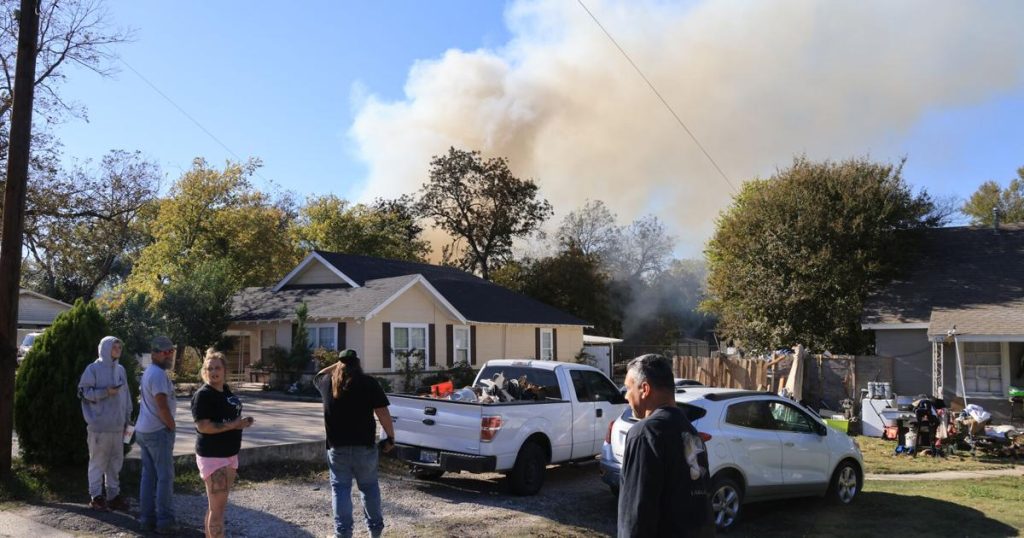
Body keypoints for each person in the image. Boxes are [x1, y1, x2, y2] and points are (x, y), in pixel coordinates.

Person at [618, 354, 714, 538]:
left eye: (628, 388)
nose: (626, 396)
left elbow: (635, 514)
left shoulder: (645, 433)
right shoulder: (692, 434)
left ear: (644, 389)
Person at [313, 349, 395, 538]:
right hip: (364, 448)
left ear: (340, 365)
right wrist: (390, 437)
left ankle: (343, 533)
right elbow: (383, 413)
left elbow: (319, 374)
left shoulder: (327, 383)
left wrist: (339, 363)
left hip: (337, 448)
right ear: (358, 364)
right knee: (369, 488)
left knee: (340, 490)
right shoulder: (369, 383)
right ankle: (375, 531)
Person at [191, 348, 254, 538]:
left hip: (229, 455)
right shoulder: (204, 395)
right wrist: (233, 425)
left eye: (217, 368)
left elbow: (229, 418)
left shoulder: (225, 391)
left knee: (215, 507)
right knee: (217, 511)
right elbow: (204, 426)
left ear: (225, 370)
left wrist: (241, 423)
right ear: (204, 372)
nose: (213, 372)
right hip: (214, 457)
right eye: (209, 369)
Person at [78, 336, 133, 512]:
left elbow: (126, 396)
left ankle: (113, 496)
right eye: (114, 347)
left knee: (115, 463)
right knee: (97, 462)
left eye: (119, 347)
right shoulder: (93, 369)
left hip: (118, 427)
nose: (118, 350)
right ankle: (96, 497)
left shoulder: (121, 370)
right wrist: (105, 392)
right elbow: (83, 392)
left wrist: (128, 419)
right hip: (99, 427)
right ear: (105, 348)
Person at [136, 335, 179, 534]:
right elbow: (162, 406)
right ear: (155, 354)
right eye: (165, 352)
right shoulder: (159, 375)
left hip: (144, 430)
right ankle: (165, 520)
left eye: (171, 351)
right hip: (157, 431)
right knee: (165, 477)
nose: (169, 355)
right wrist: (171, 425)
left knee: (148, 476)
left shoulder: (149, 372)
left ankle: (147, 518)